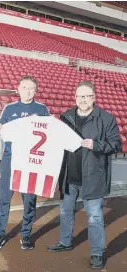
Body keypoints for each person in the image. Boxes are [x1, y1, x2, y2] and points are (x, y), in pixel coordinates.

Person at [47, 81, 122, 270]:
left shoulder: (106, 118)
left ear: (94, 97)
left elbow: (116, 144)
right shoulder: (66, 117)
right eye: (79, 95)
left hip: (93, 177)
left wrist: (96, 145)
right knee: (65, 212)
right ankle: (65, 242)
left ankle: (97, 253)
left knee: (95, 217)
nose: (83, 99)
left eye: (87, 95)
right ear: (75, 97)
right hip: (69, 175)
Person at [0, 75, 50, 250]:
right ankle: (0, 233)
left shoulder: (42, 109)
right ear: (18, 89)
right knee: (3, 198)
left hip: (31, 160)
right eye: (24, 87)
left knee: (29, 199)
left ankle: (26, 235)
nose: (28, 91)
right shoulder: (9, 108)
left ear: (36, 90)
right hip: (11, 158)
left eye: (31, 88)